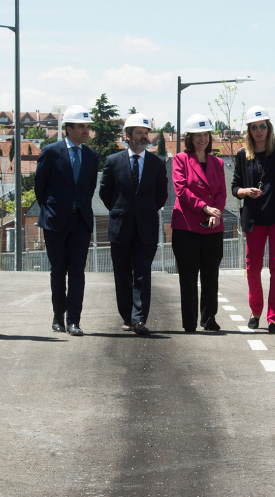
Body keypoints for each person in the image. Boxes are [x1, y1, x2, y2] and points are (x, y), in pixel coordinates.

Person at [99, 112, 168, 335]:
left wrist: (144, 211)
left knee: (142, 274)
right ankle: (127, 316)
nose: (144, 137)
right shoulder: (113, 161)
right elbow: (105, 193)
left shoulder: (156, 164)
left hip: (146, 227)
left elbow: (161, 195)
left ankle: (139, 319)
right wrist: (121, 211)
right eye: (139, 133)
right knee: (122, 275)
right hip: (120, 228)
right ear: (127, 136)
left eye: (146, 133)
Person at [231, 106, 275, 333]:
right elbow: (234, 187)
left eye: (263, 126)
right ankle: (255, 310)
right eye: (254, 127)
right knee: (253, 267)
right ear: (249, 130)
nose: (259, 130)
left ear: (268, 128)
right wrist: (245, 191)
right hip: (254, 215)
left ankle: (273, 318)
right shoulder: (242, 154)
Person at [34, 105, 99, 336]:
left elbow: (88, 188)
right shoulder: (50, 152)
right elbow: (40, 188)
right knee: (58, 271)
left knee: (77, 272)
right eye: (81, 126)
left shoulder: (92, 156)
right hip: (55, 222)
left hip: (80, 222)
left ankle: (74, 321)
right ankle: (58, 316)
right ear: (68, 129)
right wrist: (54, 210)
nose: (85, 131)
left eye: (87, 127)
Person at [171, 114, 227, 332]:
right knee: (188, 276)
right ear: (190, 138)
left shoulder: (218, 162)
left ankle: (209, 318)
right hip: (187, 225)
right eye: (198, 135)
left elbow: (221, 192)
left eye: (205, 134)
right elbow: (181, 189)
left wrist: (217, 212)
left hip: (213, 226)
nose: (202, 139)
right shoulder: (180, 160)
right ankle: (189, 322)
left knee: (211, 275)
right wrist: (205, 208)